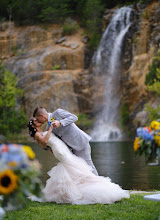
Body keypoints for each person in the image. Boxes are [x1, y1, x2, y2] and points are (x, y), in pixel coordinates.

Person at [28, 118, 130, 204]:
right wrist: (51, 128)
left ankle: (89, 184)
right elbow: (45, 141)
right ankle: (82, 188)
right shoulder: (37, 134)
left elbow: (46, 144)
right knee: (71, 166)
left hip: (61, 148)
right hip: (59, 150)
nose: (38, 121)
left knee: (74, 167)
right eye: (35, 121)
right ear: (33, 126)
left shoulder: (43, 130)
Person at [33, 107, 98, 176]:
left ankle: (99, 184)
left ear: (42, 116)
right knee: (79, 170)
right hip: (70, 150)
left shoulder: (58, 113)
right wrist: (48, 148)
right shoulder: (48, 128)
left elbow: (74, 117)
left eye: (37, 119)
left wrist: (60, 122)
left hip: (80, 142)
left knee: (89, 166)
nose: (38, 121)